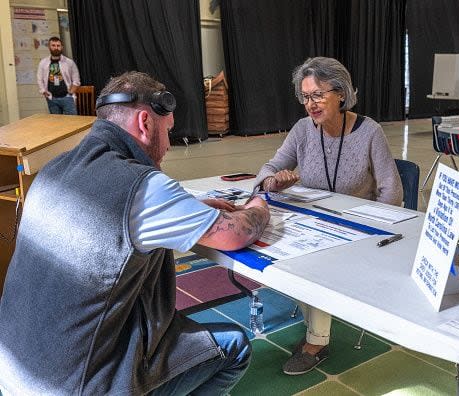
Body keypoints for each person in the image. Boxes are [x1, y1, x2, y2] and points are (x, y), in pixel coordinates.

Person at [0, 71, 270, 394]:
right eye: (168, 131)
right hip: (75, 386)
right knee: (236, 348)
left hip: (13, 375)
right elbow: (236, 233)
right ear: (145, 123)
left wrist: (189, 207)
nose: (169, 145)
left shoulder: (52, 172)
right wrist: (260, 201)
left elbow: (103, 216)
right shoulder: (143, 188)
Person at [254, 57, 403, 375]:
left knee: (315, 261)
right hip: (317, 226)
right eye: (306, 96)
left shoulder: (370, 132)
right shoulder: (303, 130)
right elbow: (269, 168)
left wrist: (373, 230)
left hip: (359, 232)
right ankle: (317, 328)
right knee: (282, 248)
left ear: (341, 93)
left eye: (318, 95)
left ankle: (316, 342)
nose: (310, 104)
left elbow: (392, 192)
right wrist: (273, 181)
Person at [36, 36, 80, 115]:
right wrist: (44, 92)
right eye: (53, 45)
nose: (56, 48)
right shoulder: (43, 63)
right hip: (52, 99)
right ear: (49, 47)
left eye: (58, 45)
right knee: (57, 124)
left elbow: (76, 80)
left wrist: (71, 93)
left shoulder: (69, 62)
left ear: (61, 47)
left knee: (72, 123)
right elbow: (39, 79)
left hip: (67, 98)